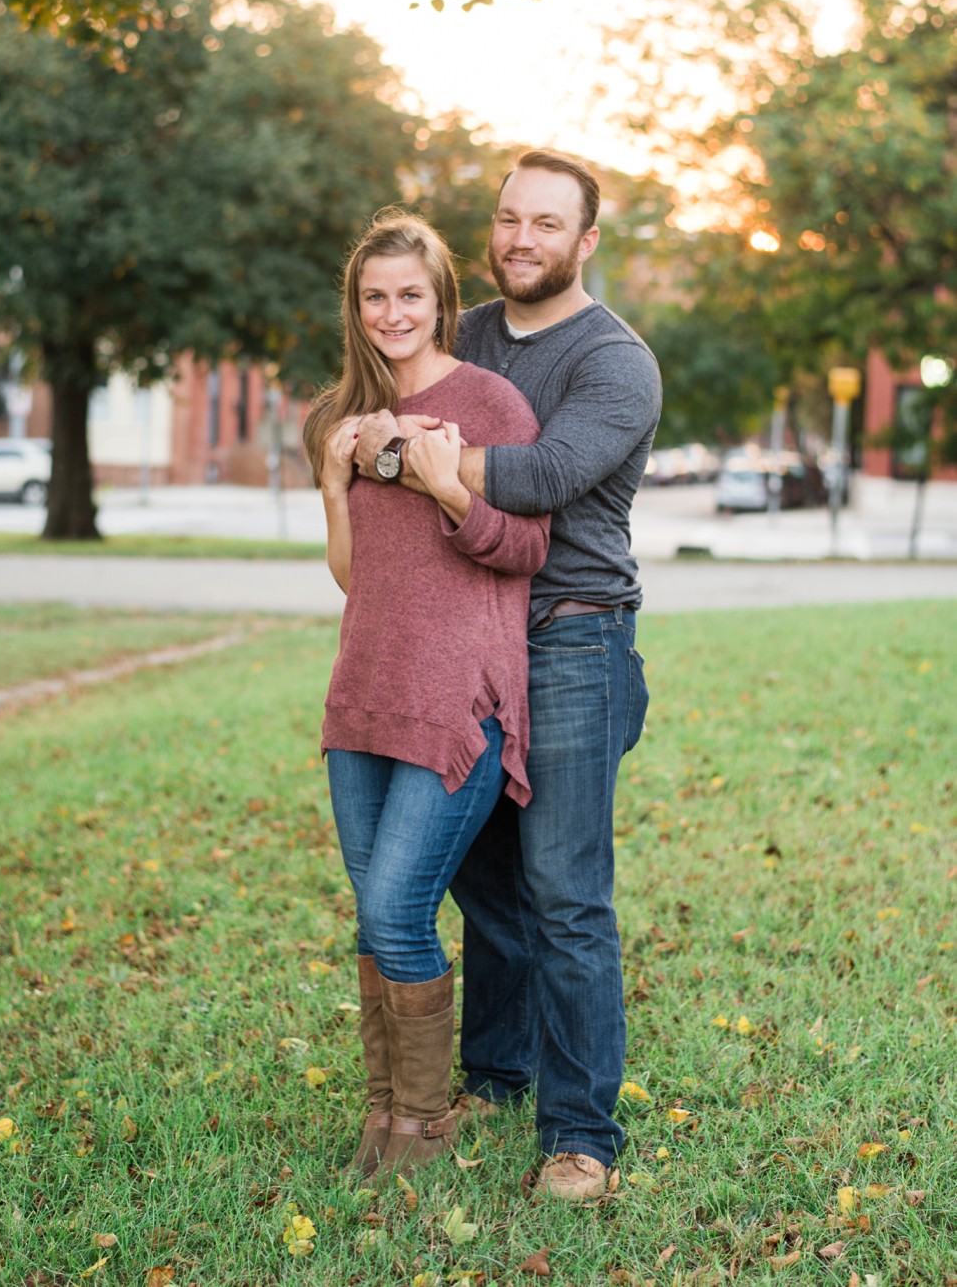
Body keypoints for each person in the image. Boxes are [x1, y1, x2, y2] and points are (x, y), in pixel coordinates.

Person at [353, 150, 662, 1201]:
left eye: (545, 224)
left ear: (584, 242)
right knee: (482, 880)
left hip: (572, 641)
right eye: (506, 219)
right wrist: (400, 444)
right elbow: (384, 402)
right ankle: (493, 1070)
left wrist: (404, 453)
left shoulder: (613, 362)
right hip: (465, 643)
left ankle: (579, 1136)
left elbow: (541, 476)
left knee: (564, 894)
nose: (520, 239)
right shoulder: (471, 331)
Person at [303, 210, 549, 1180]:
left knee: (399, 909)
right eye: (374, 296)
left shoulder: (489, 403)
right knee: (373, 916)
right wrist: (334, 479)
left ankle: (424, 1130)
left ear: (440, 299)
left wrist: (447, 485)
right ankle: (383, 1119)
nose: (391, 311)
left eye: (409, 293)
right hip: (363, 691)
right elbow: (352, 577)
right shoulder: (339, 416)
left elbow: (526, 549)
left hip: (458, 704)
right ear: (355, 309)